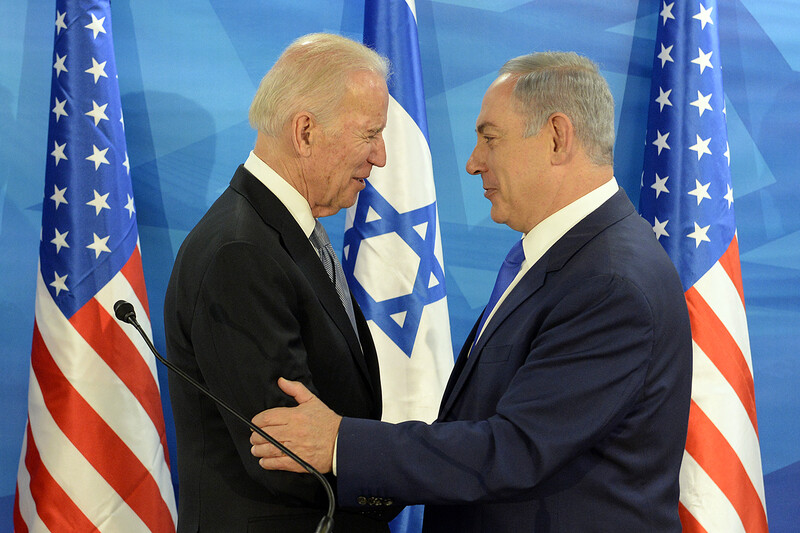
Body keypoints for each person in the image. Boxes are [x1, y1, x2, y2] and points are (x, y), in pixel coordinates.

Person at [249, 51, 693, 532]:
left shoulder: (610, 282)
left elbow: (515, 451)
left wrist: (340, 443)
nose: (472, 162)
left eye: (490, 138)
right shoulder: (570, 259)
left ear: (557, 137)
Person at [163, 33, 393, 532]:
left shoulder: (283, 233)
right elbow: (287, 458)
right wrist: (399, 474)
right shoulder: (240, 252)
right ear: (305, 131)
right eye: (370, 133)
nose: (381, 155)